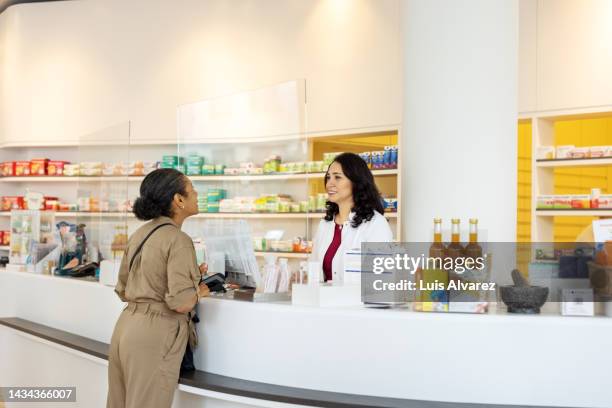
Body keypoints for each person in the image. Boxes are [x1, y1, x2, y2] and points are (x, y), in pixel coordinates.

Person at [107, 169, 210, 408]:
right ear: (178, 199)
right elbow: (181, 302)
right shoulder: (178, 239)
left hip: (125, 328)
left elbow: (123, 288)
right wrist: (200, 291)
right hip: (154, 335)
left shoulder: (140, 234)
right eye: (192, 189)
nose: (196, 194)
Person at [310, 152, 393, 282]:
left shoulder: (375, 224)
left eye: (337, 177)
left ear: (356, 182)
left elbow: (381, 279)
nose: (329, 184)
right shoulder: (325, 224)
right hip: (325, 301)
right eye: (328, 177)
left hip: (358, 302)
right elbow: (313, 269)